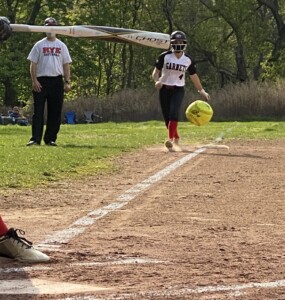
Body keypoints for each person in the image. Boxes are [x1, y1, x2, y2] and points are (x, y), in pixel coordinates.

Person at [152, 30, 210, 151]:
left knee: (174, 112)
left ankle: (170, 140)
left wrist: (202, 91)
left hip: (178, 89)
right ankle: (176, 137)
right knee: (167, 119)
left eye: (180, 42)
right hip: (164, 89)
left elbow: (193, 76)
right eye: (175, 42)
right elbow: (155, 72)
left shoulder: (187, 60)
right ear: (171, 43)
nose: (178, 44)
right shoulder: (164, 56)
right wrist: (156, 81)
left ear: (185, 43)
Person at [27, 17, 72, 146]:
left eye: (52, 26)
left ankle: (50, 139)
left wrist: (67, 81)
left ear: (56, 29)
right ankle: (35, 139)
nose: (49, 29)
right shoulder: (39, 45)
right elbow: (33, 64)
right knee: (38, 112)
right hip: (41, 81)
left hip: (56, 81)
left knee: (55, 112)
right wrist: (34, 80)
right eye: (47, 26)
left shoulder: (61, 45)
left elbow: (66, 65)